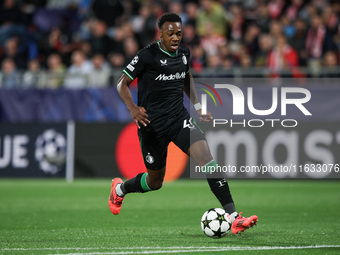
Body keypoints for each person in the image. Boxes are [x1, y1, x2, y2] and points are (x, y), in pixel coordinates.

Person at [108, 13, 258, 235]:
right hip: (152, 126)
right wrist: (132, 108)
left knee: (207, 161)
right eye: (171, 33)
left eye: (179, 33)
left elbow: (186, 76)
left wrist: (197, 106)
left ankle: (234, 217)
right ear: (161, 34)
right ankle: (120, 189)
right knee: (155, 181)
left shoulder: (185, 53)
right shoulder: (147, 55)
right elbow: (122, 83)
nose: (176, 37)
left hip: (179, 119)